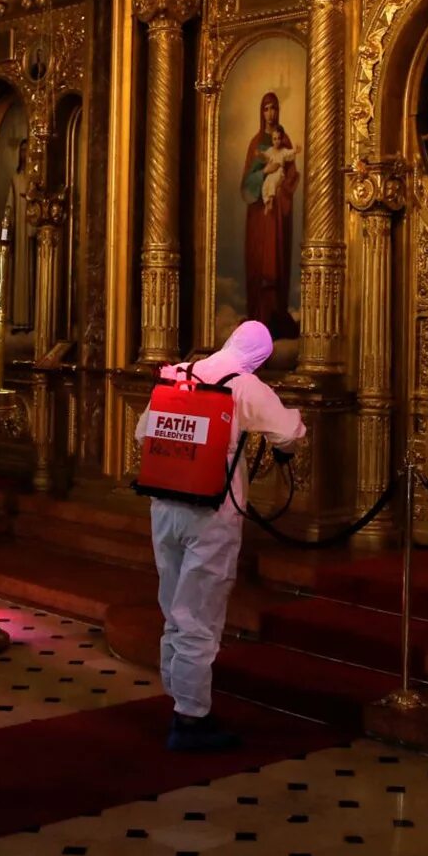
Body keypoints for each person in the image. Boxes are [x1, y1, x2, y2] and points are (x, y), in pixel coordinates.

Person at [134, 321, 305, 751]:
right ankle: (191, 720)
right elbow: (289, 432)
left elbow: (143, 432)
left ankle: (177, 695)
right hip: (212, 511)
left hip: (165, 502)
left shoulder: (182, 373)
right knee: (200, 614)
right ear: (260, 358)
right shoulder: (244, 385)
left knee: (173, 605)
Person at [241, 91, 300, 339]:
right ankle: (258, 316)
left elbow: (293, 176)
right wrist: (266, 170)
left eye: (274, 108)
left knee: (277, 260)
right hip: (259, 216)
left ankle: (276, 315)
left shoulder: (284, 141)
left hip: (277, 215)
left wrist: (283, 187)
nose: (271, 113)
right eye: (266, 108)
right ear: (261, 112)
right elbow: (246, 185)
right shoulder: (256, 144)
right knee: (260, 262)